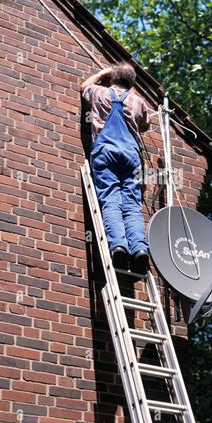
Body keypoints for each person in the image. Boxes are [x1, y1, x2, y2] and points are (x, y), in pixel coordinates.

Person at [80, 62, 151, 274]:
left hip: (106, 152)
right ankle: (139, 249)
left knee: (111, 199)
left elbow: (84, 86)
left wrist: (103, 73)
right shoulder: (138, 101)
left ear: (113, 78)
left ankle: (118, 246)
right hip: (131, 156)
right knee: (132, 206)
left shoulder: (100, 93)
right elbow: (145, 125)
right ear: (132, 83)